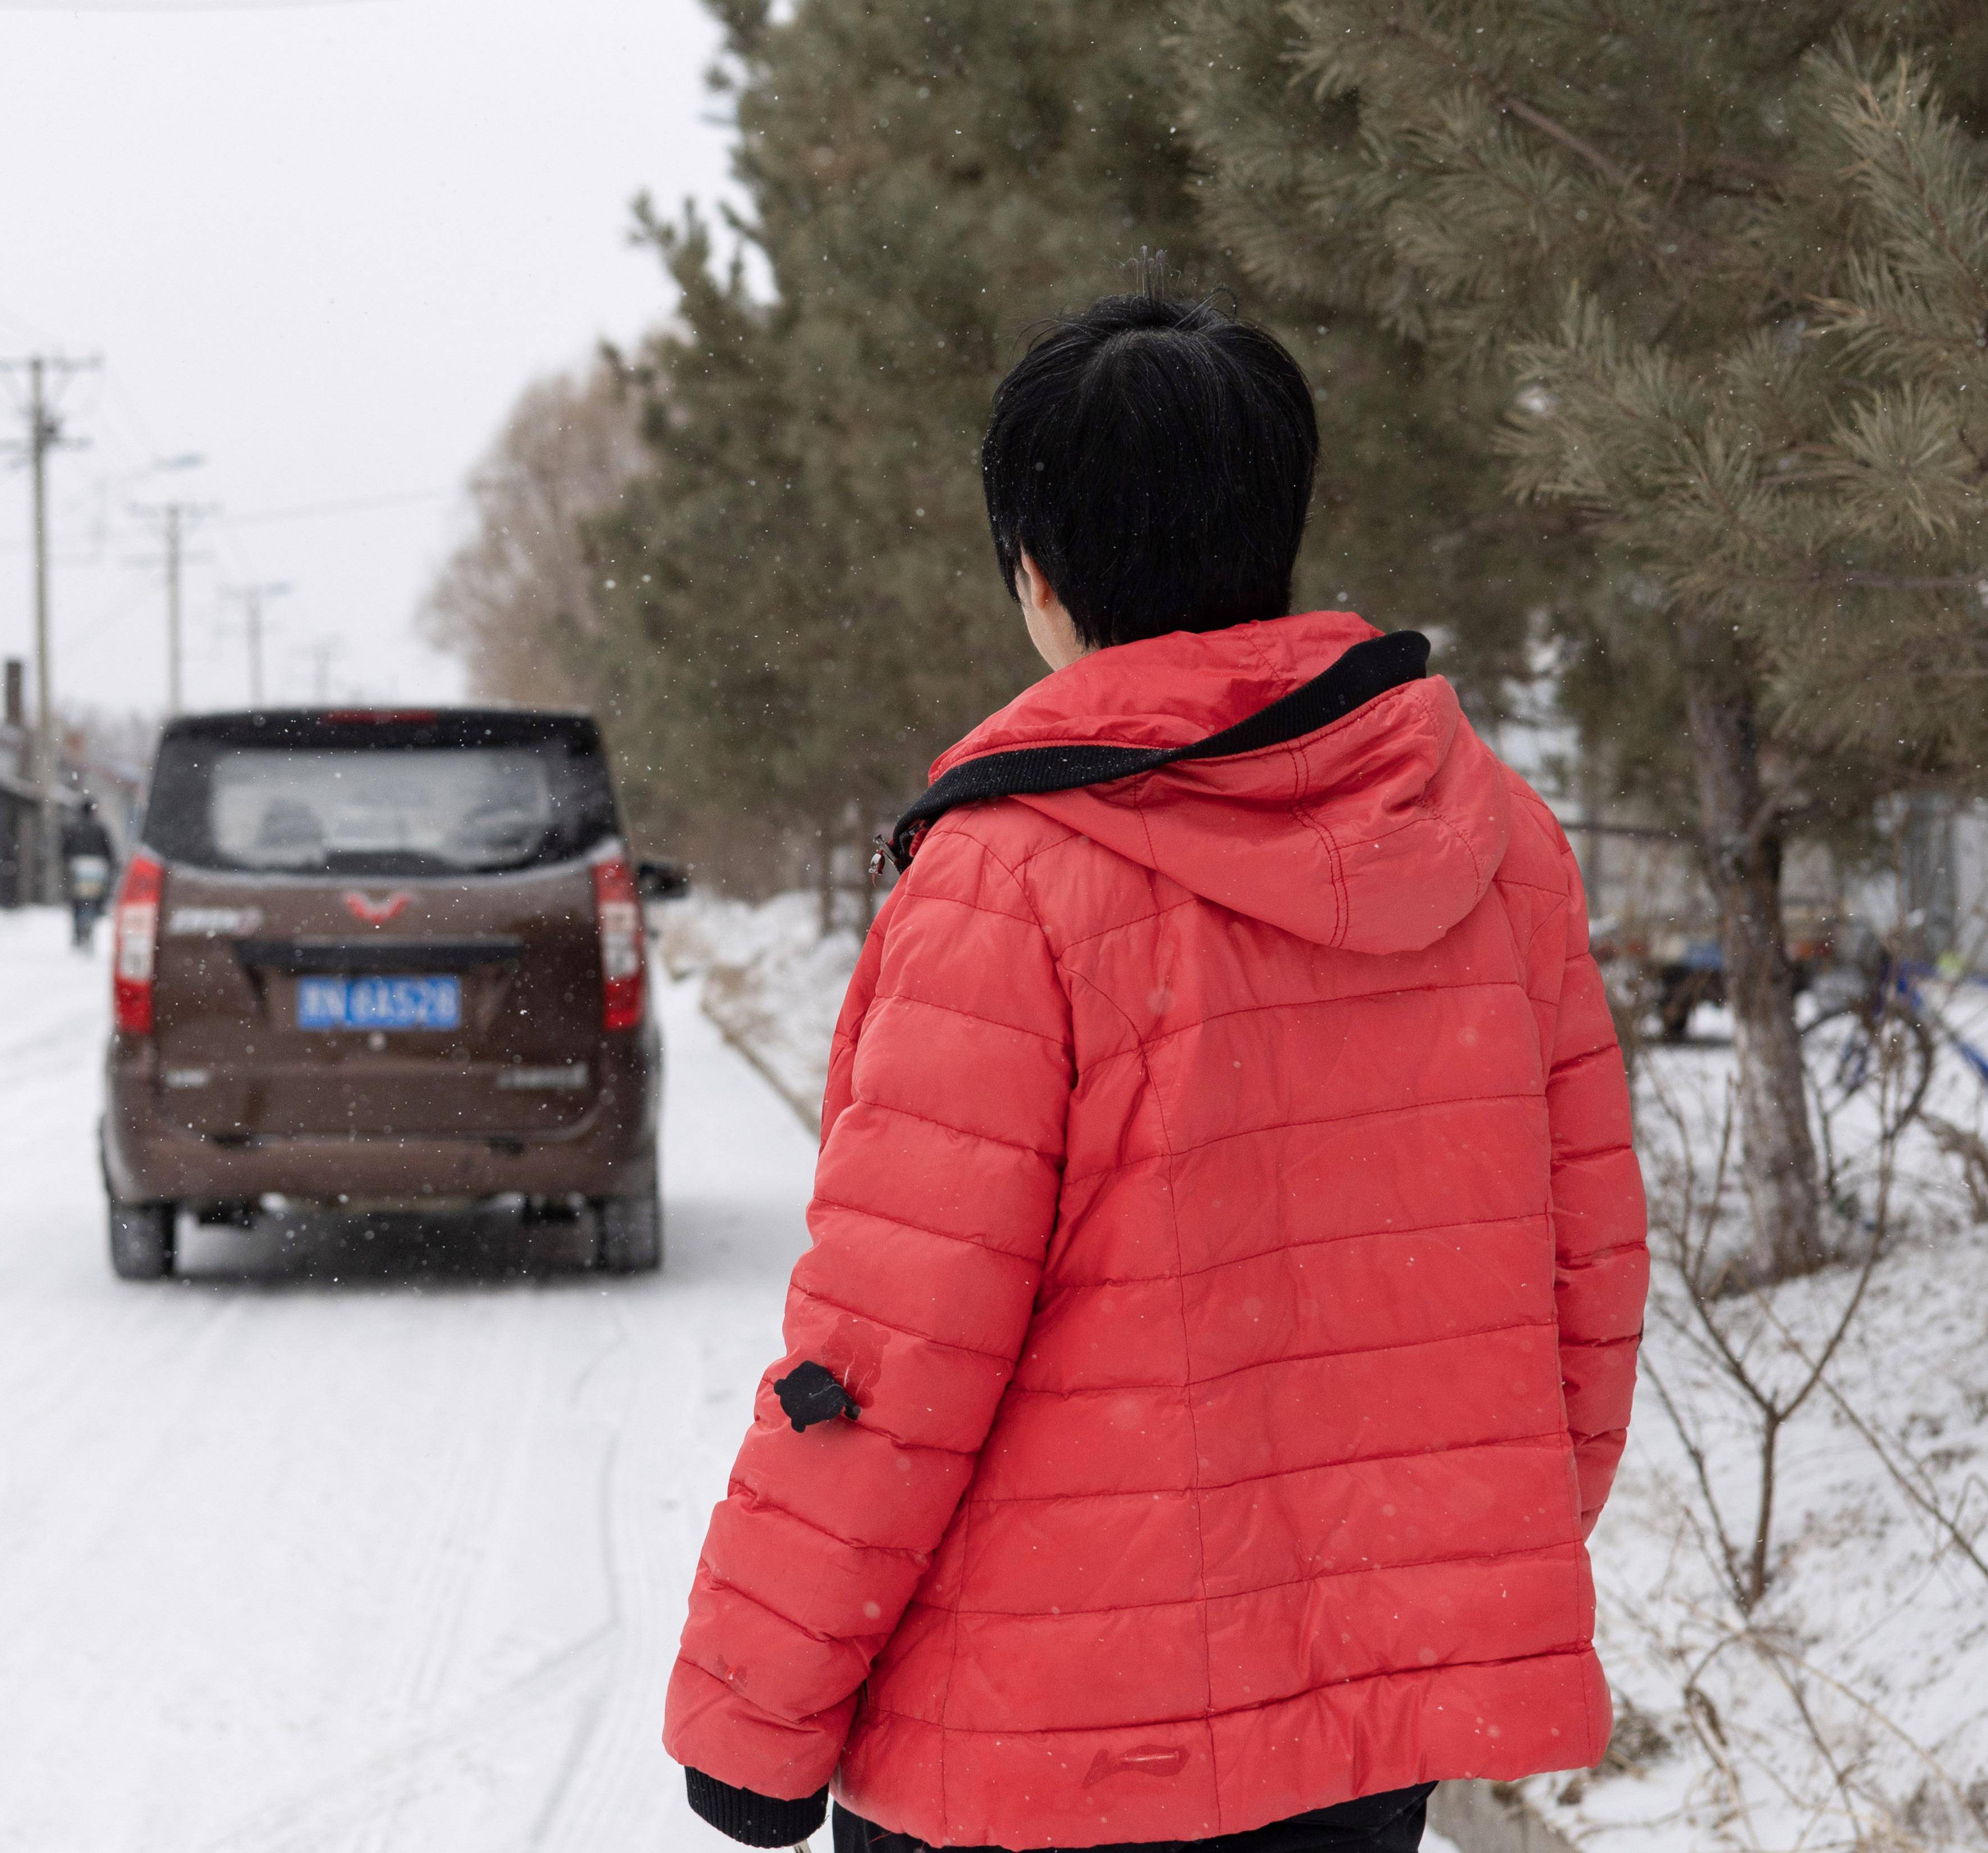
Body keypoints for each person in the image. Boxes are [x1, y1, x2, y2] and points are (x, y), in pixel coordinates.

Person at [664, 288, 1649, 1853]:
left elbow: (891, 1349)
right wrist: (1405, 1588)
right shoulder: (1487, 841)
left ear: (1036, 578)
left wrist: (757, 1705)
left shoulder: (1008, 876)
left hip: (1026, 1750)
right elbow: (1581, 1277)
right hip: (1347, 1746)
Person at [60, 798, 117, 952]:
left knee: (78, 901)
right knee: (91, 900)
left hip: (77, 867)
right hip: (97, 869)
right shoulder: (100, 829)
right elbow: (109, 852)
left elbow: (64, 851)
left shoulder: (72, 828)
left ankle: (79, 933)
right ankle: (88, 930)